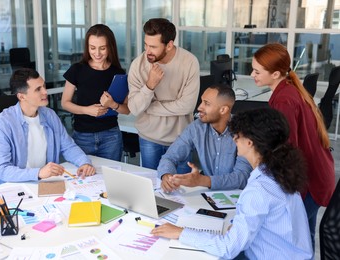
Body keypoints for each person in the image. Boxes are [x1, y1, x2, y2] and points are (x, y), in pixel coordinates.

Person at [151, 108, 313, 259]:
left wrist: (181, 233)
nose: (234, 138)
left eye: (237, 135)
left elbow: (228, 248)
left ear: (249, 143)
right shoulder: (278, 172)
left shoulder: (258, 190)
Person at [251, 43, 335, 251]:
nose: (252, 74)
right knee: (304, 238)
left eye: (257, 71)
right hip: (316, 174)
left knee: (288, 240)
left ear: (276, 73)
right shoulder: (288, 89)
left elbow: (287, 148)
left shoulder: (284, 100)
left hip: (309, 181)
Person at [0, 68, 95, 187]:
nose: (45, 92)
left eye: (44, 86)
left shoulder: (50, 115)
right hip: (14, 187)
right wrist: (38, 173)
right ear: (22, 96)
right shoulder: (2, 123)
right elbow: (0, 170)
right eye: (38, 89)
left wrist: (84, 163)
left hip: (45, 183)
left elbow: (68, 146)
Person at [128, 18, 200, 171]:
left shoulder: (189, 62)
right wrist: (149, 86)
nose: (147, 51)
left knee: (181, 191)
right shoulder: (138, 65)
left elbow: (187, 106)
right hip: (149, 138)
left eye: (153, 46)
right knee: (152, 189)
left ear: (169, 45)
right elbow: (134, 108)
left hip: (181, 139)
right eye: (146, 45)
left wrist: (148, 107)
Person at [157, 84, 252, 192]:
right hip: (208, 195)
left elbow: (241, 178)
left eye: (206, 103)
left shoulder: (243, 131)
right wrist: (166, 176)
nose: (199, 107)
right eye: (202, 101)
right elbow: (170, 156)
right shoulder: (197, 127)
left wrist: (202, 181)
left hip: (238, 197)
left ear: (223, 110)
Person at [61, 24, 129, 162]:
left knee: (111, 179)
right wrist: (87, 110)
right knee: (83, 179)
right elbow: (65, 103)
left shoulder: (118, 74)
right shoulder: (77, 70)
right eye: (92, 48)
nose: (97, 53)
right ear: (87, 47)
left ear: (110, 47)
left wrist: (113, 104)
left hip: (111, 136)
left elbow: (126, 110)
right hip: (82, 136)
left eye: (102, 48)